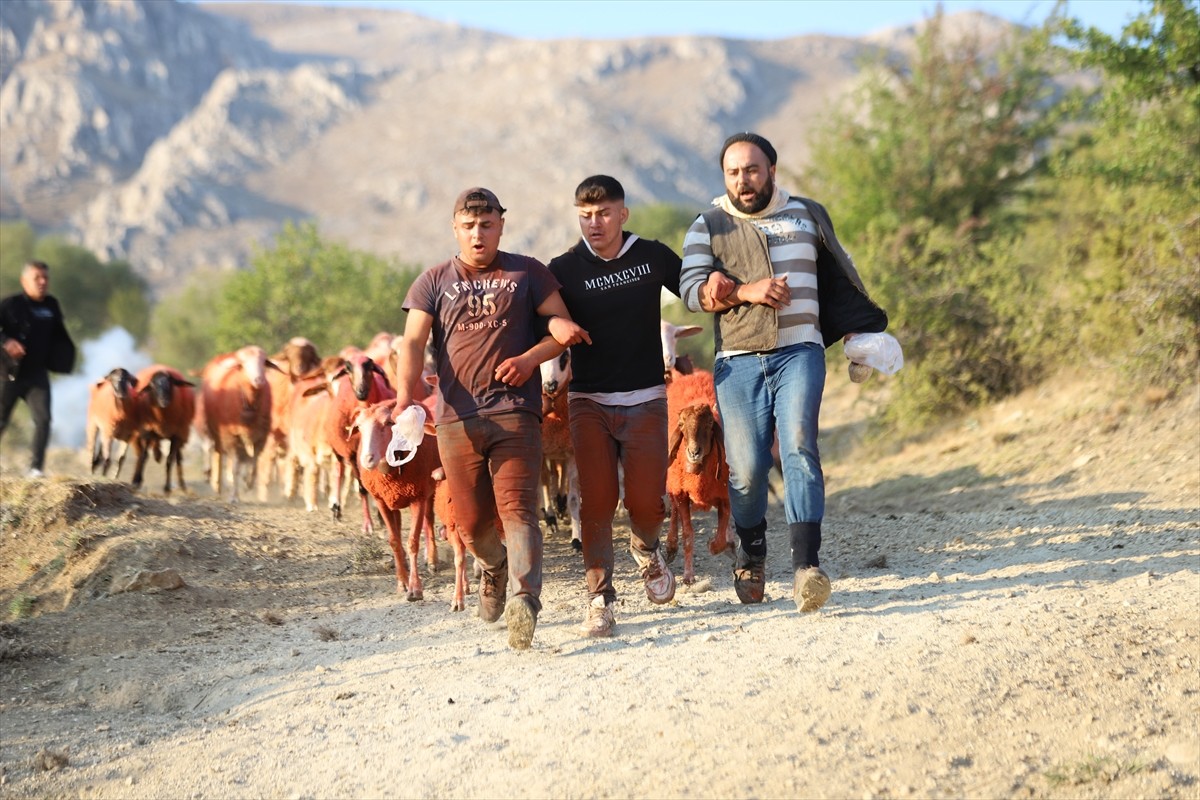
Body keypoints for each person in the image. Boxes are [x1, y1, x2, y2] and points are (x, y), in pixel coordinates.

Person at [679, 133, 887, 612]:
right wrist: (741, 291)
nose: (743, 180)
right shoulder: (707, 225)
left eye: (751, 170)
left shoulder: (808, 214)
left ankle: (805, 568)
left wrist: (860, 333)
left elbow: (841, 272)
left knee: (797, 446)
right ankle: (751, 551)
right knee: (748, 468)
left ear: (771, 169)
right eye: (733, 172)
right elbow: (692, 291)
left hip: (801, 352)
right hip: (738, 359)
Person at [391, 187, 588, 650]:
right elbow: (414, 343)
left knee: (519, 512)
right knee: (472, 524)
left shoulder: (528, 272)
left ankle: (525, 600)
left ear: (501, 224)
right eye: (468, 226)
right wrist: (404, 395)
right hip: (457, 419)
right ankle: (494, 568)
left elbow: (559, 330)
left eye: (487, 225)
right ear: (455, 228)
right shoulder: (433, 280)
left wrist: (529, 359)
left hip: (516, 413)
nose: (478, 234)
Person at [547, 175, 683, 638]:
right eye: (585, 215)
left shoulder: (652, 256)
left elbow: (700, 290)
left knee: (647, 502)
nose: (594, 223)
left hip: (646, 398)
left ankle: (645, 547)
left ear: (623, 214)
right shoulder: (563, 269)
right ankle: (599, 599)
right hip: (588, 401)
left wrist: (734, 289)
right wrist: (554, 325)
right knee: (597, 503)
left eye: (603, 213)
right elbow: (541, 316)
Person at [0, 260, 76, 478]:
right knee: (2, 420)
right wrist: (6, 341)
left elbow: (59, 335)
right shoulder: (10, 304)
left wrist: (64, 358)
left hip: (37, 375)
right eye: (37, 278)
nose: (42, 282)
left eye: (45, 277)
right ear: (24, 281)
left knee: (43, 420)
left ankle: (35, 469)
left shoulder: (51, 305)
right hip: (9, 373)